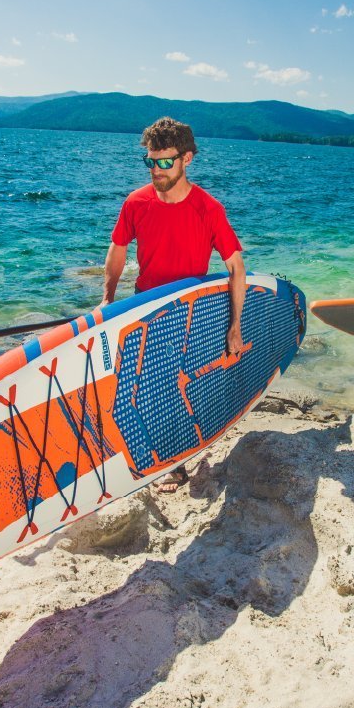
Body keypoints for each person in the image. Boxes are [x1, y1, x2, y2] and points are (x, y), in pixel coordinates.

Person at [99, 116, 246, 493]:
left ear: (187, 159)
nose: (156, 169)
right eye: (150, 161)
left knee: (169, 387)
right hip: (143, 308)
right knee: (136, 386)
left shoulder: (208, 208)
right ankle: (141, 455)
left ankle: (175, 466)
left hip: (188, 312)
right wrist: (107, 299)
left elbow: (235, 267)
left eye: (165, 161)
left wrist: (235, 326)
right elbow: (118, 250)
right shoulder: (136, 202)